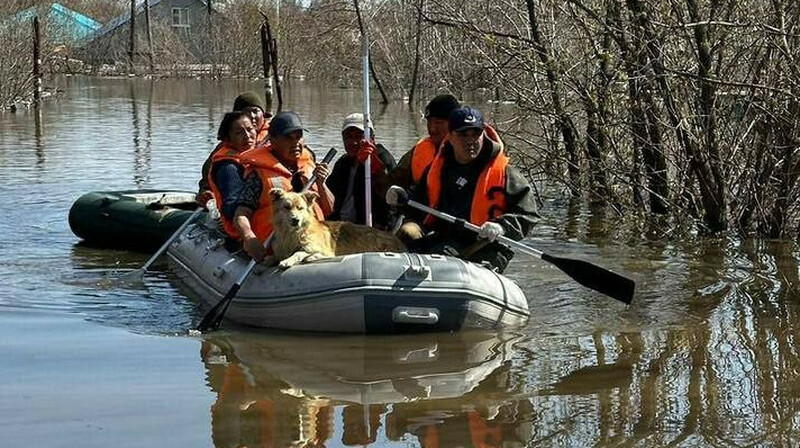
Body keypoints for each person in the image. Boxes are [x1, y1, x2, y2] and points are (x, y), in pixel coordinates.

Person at [386, 106, 539, 273]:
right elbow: (419, 206)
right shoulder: (438, 169)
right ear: (450, 136)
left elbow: (528, 215)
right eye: (463, 134)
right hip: (445, 241)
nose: (470, 140)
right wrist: (401, 200)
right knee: (404, 240)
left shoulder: (505, 173)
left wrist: (502, 227)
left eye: (476, 134)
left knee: (450, 266)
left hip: (486, 246)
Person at [233, 111, 335, 260]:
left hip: (310, 247)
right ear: (273, 141)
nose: (296, 143)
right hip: (274, 250)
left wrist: (321, 184)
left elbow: (329, 209)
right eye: (288, 138)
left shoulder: (310, 167)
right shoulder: (258, 175)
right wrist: (249, 238)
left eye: (298, 137)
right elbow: (240, 214)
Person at [197, 92, 270, 205]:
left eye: (255, 111)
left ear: (263, 114)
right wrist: (205, 191)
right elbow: (208, 174)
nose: (252, 116)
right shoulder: (226, 151)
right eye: (246, 112)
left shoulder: (277, 138)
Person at [326, 113, 397, 229]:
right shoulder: (343, 163)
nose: (353, 142)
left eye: (358, 137)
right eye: (348, 137)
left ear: (372, 139)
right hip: (340, 225)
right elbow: (331, 196)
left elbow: (392, 199)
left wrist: (374, 168)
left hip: (372, 226)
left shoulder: (381, 158)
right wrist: (320, 181)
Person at [206, 111, 256, 240]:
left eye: (250, 129)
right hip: (244, 231)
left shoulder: (256, 157)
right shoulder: (228, 168)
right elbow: (231, 208)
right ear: (228, 139)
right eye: (239, 133)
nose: (247, 136)